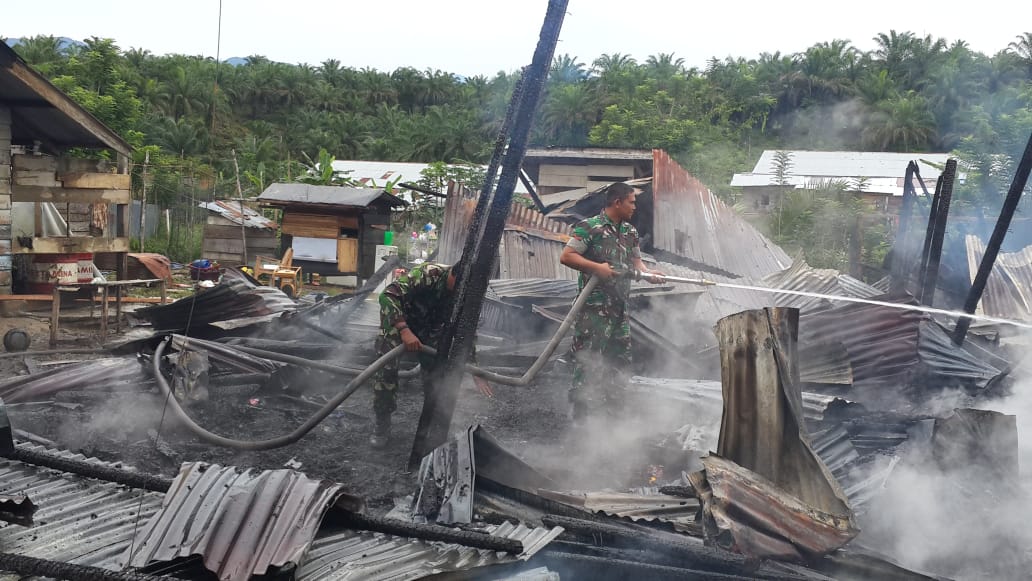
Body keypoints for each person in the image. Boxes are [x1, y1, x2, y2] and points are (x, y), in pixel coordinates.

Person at [559, 182, 664, 421]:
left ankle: (614, 415)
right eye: (631, 202)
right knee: (588, 359)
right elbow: (567, 256)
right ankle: (580, 416)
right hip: (594, 309)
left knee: (619, 359)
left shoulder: (630, 232)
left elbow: (638, 264)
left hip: (619, 308)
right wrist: (597, 267)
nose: (634, 207)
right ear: (617, 202)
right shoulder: (589, 227)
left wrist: (650, 275)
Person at [369, 260, 491, 448]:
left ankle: (432, 426)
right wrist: (404, 329)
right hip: (400, 321)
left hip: (429, 329)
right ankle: (382, 423)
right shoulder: (428, 274)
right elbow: (388, 295)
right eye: (460, 289)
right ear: (454, 276)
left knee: (437, 375)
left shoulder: (464, 294)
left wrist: (474, 369)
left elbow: (466, 331)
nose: (461, 295)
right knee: (386, 369)